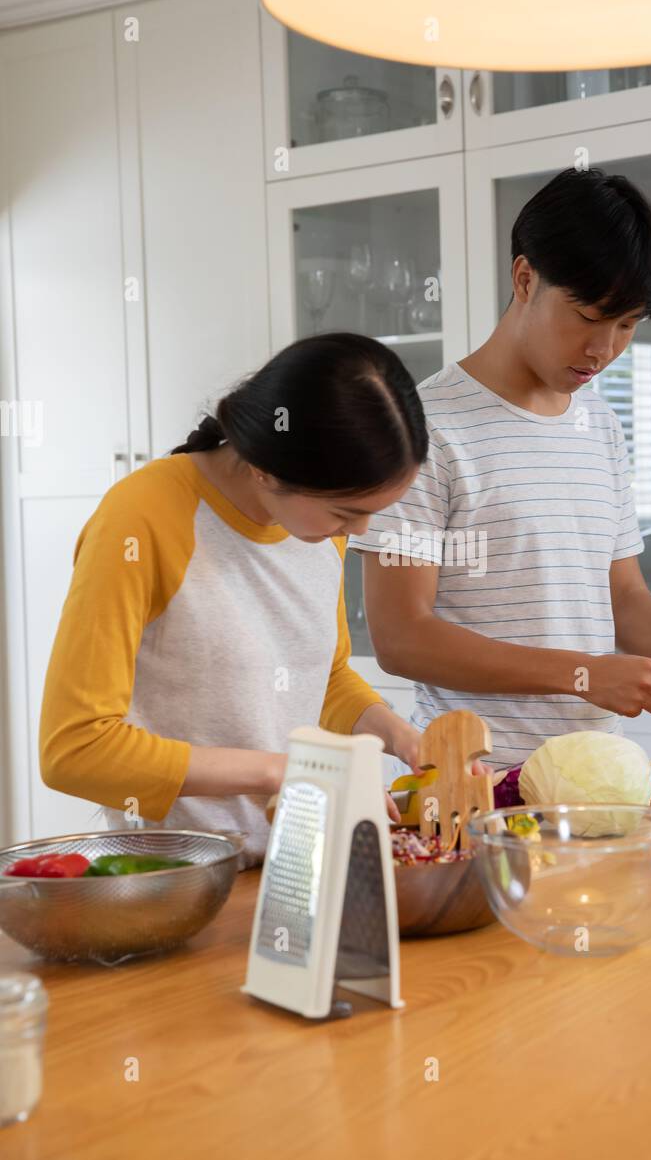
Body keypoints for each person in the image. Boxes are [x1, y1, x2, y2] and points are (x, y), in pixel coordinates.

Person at [352, 168, 651, 769]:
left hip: (597, 778)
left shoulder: (600, 424)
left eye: (627, 324)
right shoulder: (423, 428)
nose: (604, 348)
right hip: (467, 784)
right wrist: (583, 675)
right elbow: (401, 639)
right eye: (588, 316)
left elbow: (621, 597)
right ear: (525, 278)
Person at [40, 333, 425, 865]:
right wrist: (279, 771)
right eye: (345, 512)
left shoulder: (318, 531)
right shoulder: (140, 518)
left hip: (290, 865)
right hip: (174, 879)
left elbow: (325, 677)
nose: (359, 533)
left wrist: (402, 737)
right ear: (266, 467)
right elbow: (75, 749)